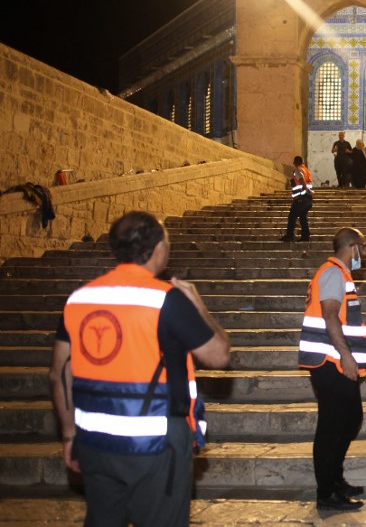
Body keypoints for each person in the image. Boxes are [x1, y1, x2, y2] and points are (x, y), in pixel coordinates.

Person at [48, 211, 231, 527]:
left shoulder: (79, 298)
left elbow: (59, 372)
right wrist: (198, 306)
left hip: (94, 441)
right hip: (154, 443)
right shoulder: (165, 299)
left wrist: (68, 434)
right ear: (159, 248)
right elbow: (218, 355)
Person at [298, 227, 366, 512]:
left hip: (335, 361)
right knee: (331, 427)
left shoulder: (340, 274)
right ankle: (326, 492)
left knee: (350, 419)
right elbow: (330, 317)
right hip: (330, 362)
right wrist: (346, 356)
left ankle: (335, 480)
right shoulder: (331, 273)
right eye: (363, 248)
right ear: (352, 246)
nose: (364, 254)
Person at [282, 155, 314, 242]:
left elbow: (302, 180)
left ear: (295, 163)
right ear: (302, 162)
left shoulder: (298, 170)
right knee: (303, 217)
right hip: (307, 199)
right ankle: (305, 236)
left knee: (292, 216)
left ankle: (289, 236)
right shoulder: (306, 170)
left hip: (301, 198)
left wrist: (307, 190)